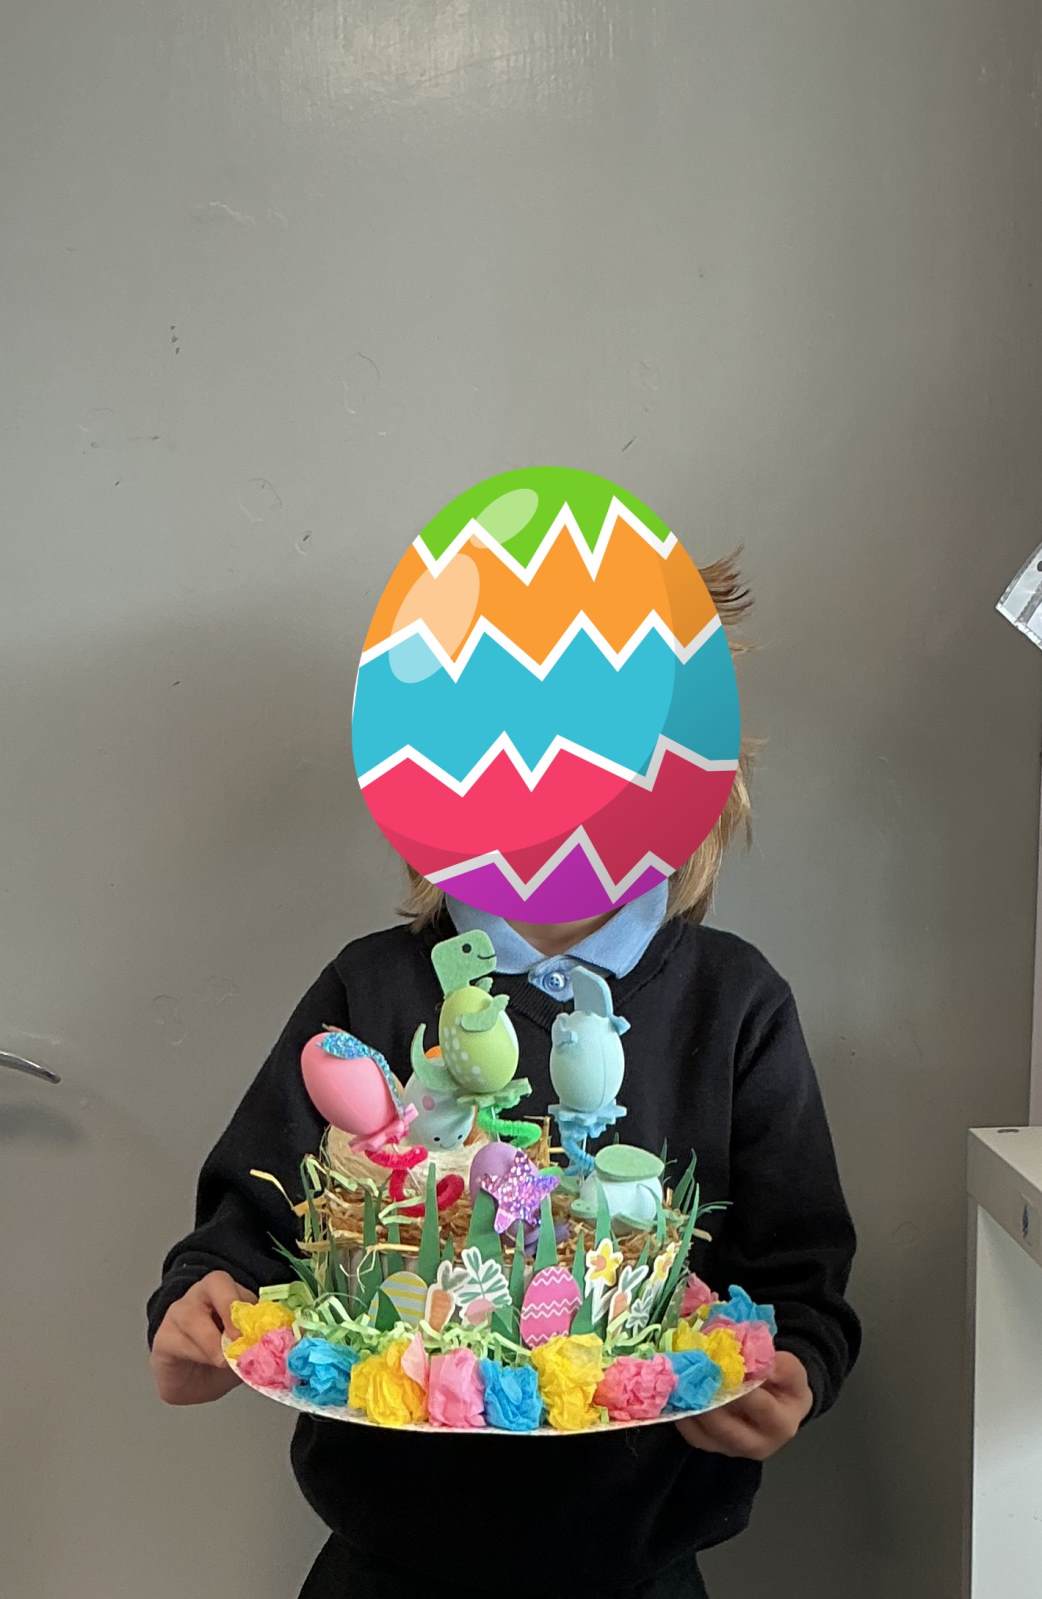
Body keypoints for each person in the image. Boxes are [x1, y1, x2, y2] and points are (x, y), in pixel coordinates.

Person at [147, 560, 859, 1599]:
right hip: (387, 1567)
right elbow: (248, 1228)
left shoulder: (735, 1003)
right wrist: (200, 1306)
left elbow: (800, 1274)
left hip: (639, 1570)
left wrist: (793, 1364)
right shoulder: (371, 990)